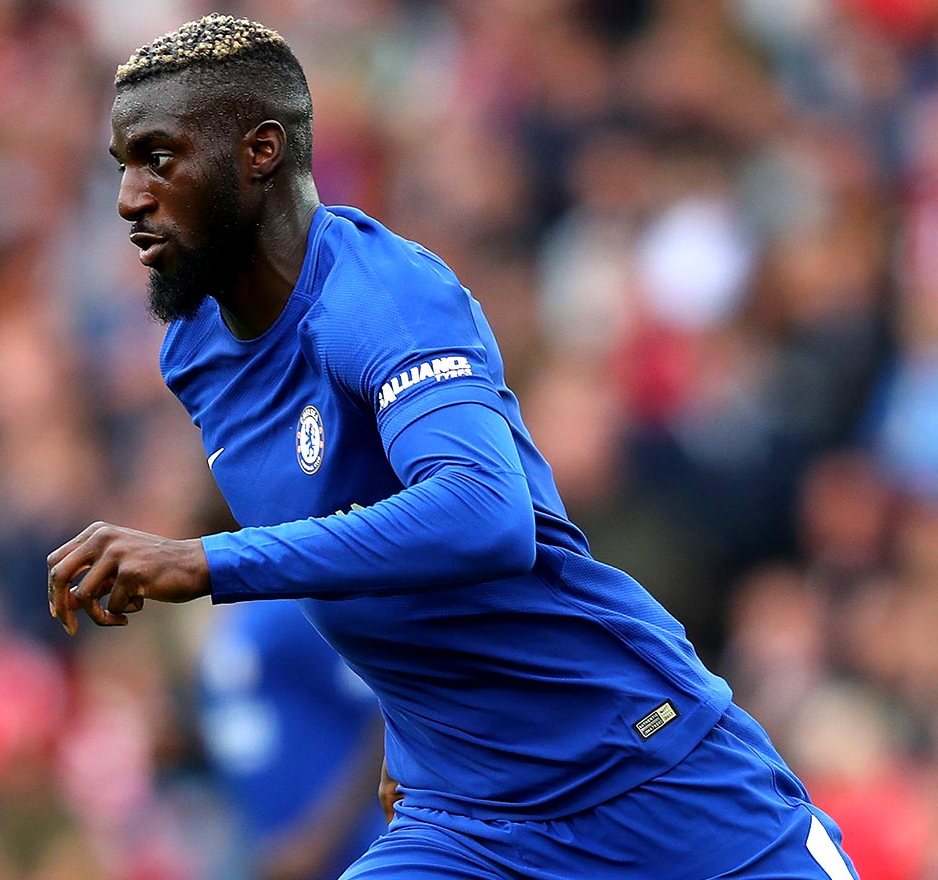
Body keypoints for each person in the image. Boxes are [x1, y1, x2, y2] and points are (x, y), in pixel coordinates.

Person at [46, 14, 859, 879]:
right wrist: (410, 726)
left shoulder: (381, 297)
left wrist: (206, 563)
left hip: (648, 780)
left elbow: (485, 514)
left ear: (261, 151)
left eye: (159, 159)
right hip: (468, 820)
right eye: (124, 166)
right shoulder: (197, 347)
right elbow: (354, 542)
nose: (131, 197)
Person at [197, 600, 385, 880]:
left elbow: (385, 716)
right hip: (276, 856)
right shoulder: (222, 629)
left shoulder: (293, 611)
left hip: (361, 854)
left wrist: (317, 841)